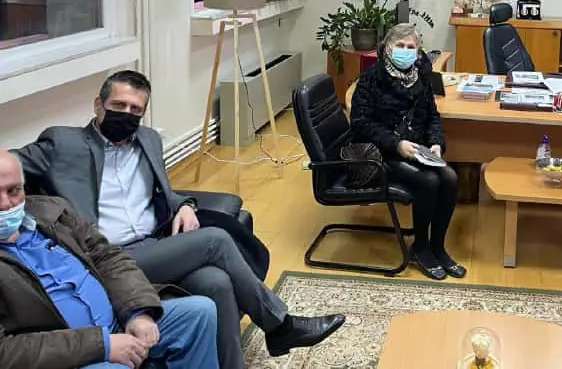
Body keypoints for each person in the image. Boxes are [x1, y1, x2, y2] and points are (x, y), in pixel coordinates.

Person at [16, 70, 345, 369]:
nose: (126, 114)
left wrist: (184, 205)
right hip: (105, 257)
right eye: (118, 105)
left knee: (216, 281)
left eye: (135, 109)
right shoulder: (62, 143)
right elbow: (9, 165)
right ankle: (281, 325)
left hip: (153, 244)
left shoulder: (148, 139)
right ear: (98, 105)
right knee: (214, 240)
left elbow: (164, 193)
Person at [0, 150, 219, 369]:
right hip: (68, 356)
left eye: (13, 190)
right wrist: (101, 345)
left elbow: (108, 257)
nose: (6, 204)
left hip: (116, 322)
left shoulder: (53, 211)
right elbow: (5, 350)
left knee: (199, 312)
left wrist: (137, 312)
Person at [350, 23, 465, 281]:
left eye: (410, 47)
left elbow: (432, 115)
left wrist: (436, 143)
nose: (405, 50)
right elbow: (360, 123)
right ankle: (420, 248)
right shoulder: (371, 78)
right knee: (428, 181)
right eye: (399, 45)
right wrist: (395, 143)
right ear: (387, 48)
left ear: (418, 51)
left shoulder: (421, 75)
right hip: (382, 153)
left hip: (416, 149)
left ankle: (437, 247)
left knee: (450, 178)